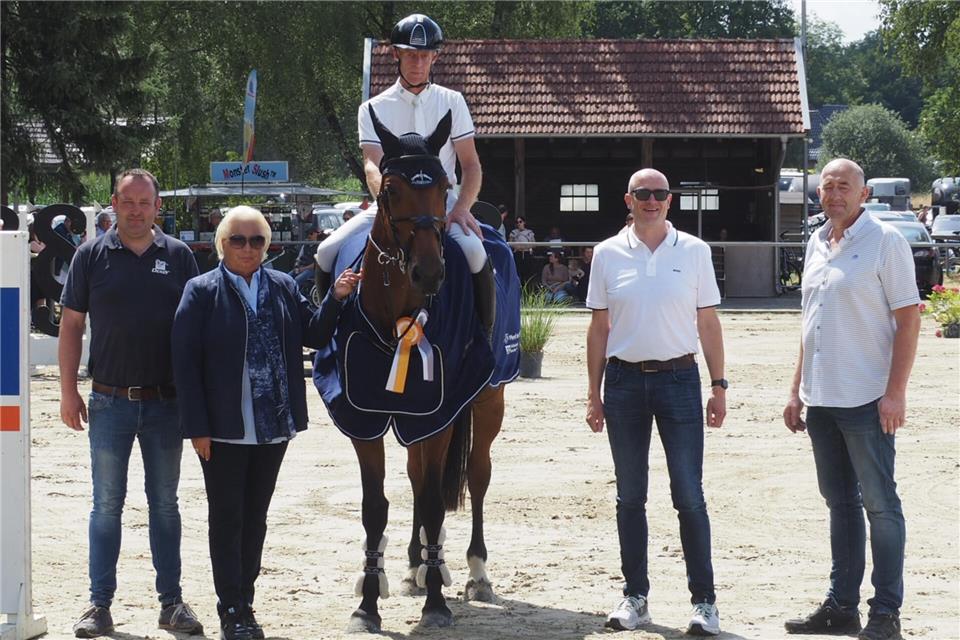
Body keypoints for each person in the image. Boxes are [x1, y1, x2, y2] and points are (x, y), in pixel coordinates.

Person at [172, 206, 360, 640]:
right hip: (222, 429)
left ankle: (247, 605)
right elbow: (185, 364)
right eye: (238, 239)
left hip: (273, 426)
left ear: (267, 245)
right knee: (227, 518)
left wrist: (336, 298)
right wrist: (196, 426)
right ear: (222, 244)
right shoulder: (200, 291)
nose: (248, 248)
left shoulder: (282, 285)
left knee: (255, 517)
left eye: (256, 240)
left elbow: (312, 334)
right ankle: (230, 609)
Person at [58, 168, 204, 639]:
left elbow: (198, 330)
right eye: (128, 201)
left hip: (167, 403)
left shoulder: (179, 257)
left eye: (145, 202)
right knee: (106, 506)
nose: (136, 210)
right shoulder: (90, 256)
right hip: (109, 402)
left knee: (165, 506)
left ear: (158, 207)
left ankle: (172, 604)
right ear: (114, 204)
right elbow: (71, 326)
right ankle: (99, 605)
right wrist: (67, 390)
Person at [782, 158, 920, 640]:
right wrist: (797, 390)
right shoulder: (816, 242)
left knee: (880, 505)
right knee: (839, 505)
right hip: (821, 399)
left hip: (867, 398)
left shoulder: (886, 242)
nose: (834, 194)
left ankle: (886, 612)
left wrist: (895, 392)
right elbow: (809, 322)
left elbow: (909, 320)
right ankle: (842, 607)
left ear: (864, 195)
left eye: (845, 186)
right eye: (827, 187)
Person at [585, 168, 726, 636]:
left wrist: (718, 384)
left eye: (659, 194)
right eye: (643, 194)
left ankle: (704, 602)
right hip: (623, 384)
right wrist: (593, 393)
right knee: (630, 497)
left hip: (679, 380)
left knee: (689, 495)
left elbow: (708, 322)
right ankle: (635, 596)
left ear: (670, 200)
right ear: (628, 199)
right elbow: (599, 329)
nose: (651, 201)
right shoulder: (606, 254)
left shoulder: (695, 251)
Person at [314, 13, 495, 333]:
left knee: (476, 254)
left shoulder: (453, 102)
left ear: (435, 57)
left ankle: (483, 340)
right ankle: (327, 336)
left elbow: (471, 164)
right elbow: (372, 163)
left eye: (425, 55)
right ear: (396, 54)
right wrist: (383, 201)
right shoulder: (373, 108)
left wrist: (463, 207)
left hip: (441, 205)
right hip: (391, 203)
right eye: (411, 54)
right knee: (326, 252)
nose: (418, 62)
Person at [289, 224, 321, 295]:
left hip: (312, 270)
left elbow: (316, 264)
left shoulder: (319, 247)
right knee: (287, 277)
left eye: (311, 233)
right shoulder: (305, 245)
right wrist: (296, 266)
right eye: (307, 233)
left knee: (297, 280)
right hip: (302, 267)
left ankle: (294, 296)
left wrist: (302, 269)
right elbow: (298, 258)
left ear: (316, 234)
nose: (309, 236)